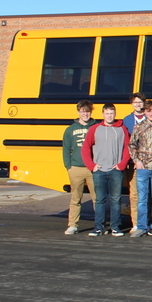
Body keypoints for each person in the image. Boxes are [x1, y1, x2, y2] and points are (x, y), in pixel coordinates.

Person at [81, 103, 130, 237]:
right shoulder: (95, 129)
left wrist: (121, 164)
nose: (109, 116)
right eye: (107, 113)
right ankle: (98, 226)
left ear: (115, 114)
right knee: (100, 200)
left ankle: (115, 227)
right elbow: (85, 147)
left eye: (112, 113)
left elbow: (127, 148)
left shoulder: (122, 129)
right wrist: (92, 165)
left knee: (116, 199)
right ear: (103, 114)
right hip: (99, 170)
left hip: (116, 170)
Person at [128, 100, 152, 238]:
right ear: (144, 112)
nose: (151, 113)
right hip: (142, 167)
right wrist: (137, 161)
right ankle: (141, 226)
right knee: (142, 199)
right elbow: (132, 145)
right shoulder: (139, 127)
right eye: (148, 111)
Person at [62, 100, 96, 235]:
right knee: (76, 198)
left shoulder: (96, 127)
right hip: (76, 167)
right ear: (78, 112)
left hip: (93, 168)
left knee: (97, 198)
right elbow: (66, 149)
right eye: (83, 111)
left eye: (87, 111)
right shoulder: (70, 129)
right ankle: (73, 225)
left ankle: (99, 224)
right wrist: (68, 166)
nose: (85, 114)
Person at [122, 92, 146, 230]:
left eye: (140, 102)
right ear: (131, 104)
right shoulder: (127, 121)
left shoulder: (151, 117)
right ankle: (136, 223)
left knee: (147, 194)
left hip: (149, 162)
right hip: (133, 162)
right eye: (135, 102)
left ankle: (147, 222)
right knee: (135, 194)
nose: (138, 104)